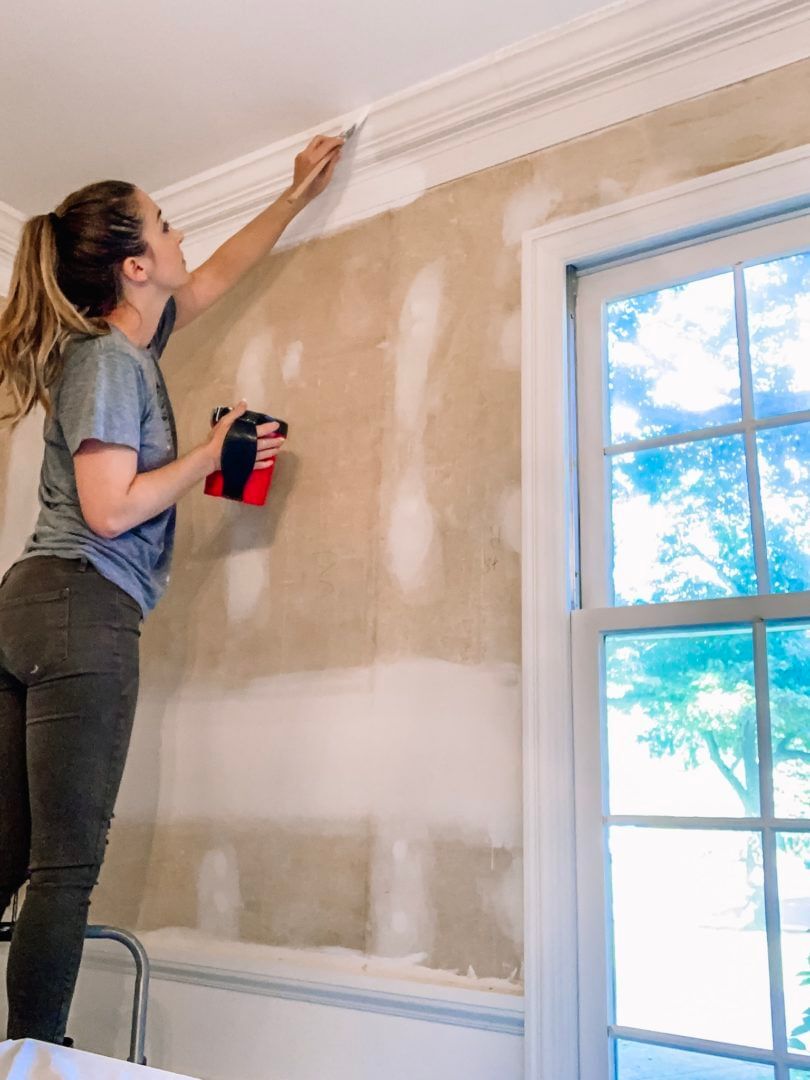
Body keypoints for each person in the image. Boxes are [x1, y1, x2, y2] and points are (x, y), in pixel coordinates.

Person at [0, 132, 343, 1045]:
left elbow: (219, 270)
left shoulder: (125, 345)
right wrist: (210, 452)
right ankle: (37, 1056)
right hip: (82, 603)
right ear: (136, 266)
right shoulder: (110, 361)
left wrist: (295, 196)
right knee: (64, 866)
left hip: (30, 604)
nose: (181, 228)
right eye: (164, 221)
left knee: (6, 855)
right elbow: (110, 512)